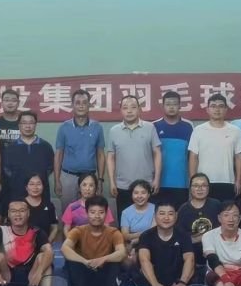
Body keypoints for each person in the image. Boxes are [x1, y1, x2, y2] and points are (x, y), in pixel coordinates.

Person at [61, 196, 126, 286]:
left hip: (105, 275)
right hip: (85, 274)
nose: (97, 216)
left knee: (116, 260)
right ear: (86, 213)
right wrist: (85, 261)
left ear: (106, 214)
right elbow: (64, 248)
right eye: (93, 212)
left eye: (101, 212)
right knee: (72, 260)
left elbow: (122, 253)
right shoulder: (78, 231)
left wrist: (104, 259)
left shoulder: (114, 232)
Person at [106, 95, 161, 223]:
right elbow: (110, 157)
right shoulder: (114, 131)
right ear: (121, 110)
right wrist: (112, 182)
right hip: (123, 186)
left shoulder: (150, 127)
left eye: (133, 107)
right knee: (125, 222)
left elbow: (157, 153)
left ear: (139, 109)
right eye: (125, 108)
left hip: (146, 186)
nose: (129, 111)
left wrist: (157, 179)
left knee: (149, 223)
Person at [134, 201, 196, 286]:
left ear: (176, 216)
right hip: (153, 279)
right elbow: (144, 261)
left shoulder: (184, 235)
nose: (166, 218)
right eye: (162, 213)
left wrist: (182, 283)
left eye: (170, 214)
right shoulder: (146, 236)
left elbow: (189, 259)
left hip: (177, 279)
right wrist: (155, 284)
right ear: (155, 216)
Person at [54, 89, 106, 211]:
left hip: (90, 178)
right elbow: (59, 155)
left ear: (89, 105)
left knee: (90, 212)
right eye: (77, 103)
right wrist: (57, 180)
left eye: (84, 103)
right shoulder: (64, 127)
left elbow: (100, 155)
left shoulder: (97, 127)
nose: (81, 106)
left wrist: (100, 180)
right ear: (72, 105)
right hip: (68, 178)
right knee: (68, 212)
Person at [188, 94, 241, 201]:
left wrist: (238, 180)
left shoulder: (235, 130)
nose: (217, 109)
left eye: (221, 106)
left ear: (226, 109)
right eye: (213, 106)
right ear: (207, 109)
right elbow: (193, 157)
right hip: (203, 183)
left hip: (228, 181)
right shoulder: (198, 130)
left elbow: (238, 157)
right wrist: (193, 182)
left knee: (227, 211)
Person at [152, 91, 194, 210]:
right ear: (162, 106)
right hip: (159, 183)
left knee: (179, 215)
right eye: (168, 104)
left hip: (181, 183)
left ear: (180, 106)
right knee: (159, 216)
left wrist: (191, 180)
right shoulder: (154, 126)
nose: (171, 107)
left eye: (175, 104)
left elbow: (191, 156)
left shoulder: (188, 126)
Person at [3, 111, 54, 205]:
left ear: (35, 125)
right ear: (19, 125)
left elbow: (50, 167)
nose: (28, 126)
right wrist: (17, 179)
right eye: (24, 123)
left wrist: (37, 181)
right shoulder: (11, 147)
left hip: (40, 191)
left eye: (31, 123)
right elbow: (6, 168)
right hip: (17, 191)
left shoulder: (45, 146)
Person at [177, 173, 222, 274]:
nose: (200, 189)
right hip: (192, 255)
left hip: (216, 252)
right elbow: (181, 238)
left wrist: (199, 238)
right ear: (190, 188)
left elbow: (223, 231)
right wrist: (203, 237)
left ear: (208, 188)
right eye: (196, 186)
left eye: (203, 185)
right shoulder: (183, 209)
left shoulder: (216, 205)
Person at [0, 88, 23, 214]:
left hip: (20, 173)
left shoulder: (24, 123)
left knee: (19, 208)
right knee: (1, 208)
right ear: (1, 103)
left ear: (18, 103)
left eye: (13, 100)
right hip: (0, 173)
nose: (10, 103)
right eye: (6, 100)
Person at [61, 173, 114, 238]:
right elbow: (66, 229)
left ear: (95, 188)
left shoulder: (103, 206)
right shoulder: (72, 207)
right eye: (84, 185)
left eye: (91, 185)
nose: (87, 188)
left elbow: (107, 228)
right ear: (79, 187)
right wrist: (71, 241)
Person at [119, 180, 156, 271]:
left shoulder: (155, 209)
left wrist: (135, 239)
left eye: (143, 193)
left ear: (148, 194)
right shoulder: (126, 212)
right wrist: (143, 234)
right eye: (136, 193)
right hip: (132, 244)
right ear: (131, 195)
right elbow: (125, 235)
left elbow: (155, 231)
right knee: (128, 262)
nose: (139, 196)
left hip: (152, 242)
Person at [23, 174, 60, 243]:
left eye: (38, 184)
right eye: (31, 184)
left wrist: (47, 242)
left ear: (43, 186)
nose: (35, 187)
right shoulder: (20, 204)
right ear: (26, 187)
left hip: (45, 244)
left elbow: (55, 227)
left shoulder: (49, 205)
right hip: (23, 244)